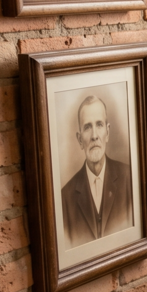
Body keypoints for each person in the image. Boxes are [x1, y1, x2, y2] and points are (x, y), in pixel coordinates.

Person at [60, 95, 134, 247]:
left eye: (99, 125)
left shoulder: (129, 178)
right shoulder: (65, 198)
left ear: (107, 132)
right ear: (80, 140)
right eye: (87, 127)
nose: (94, 136)